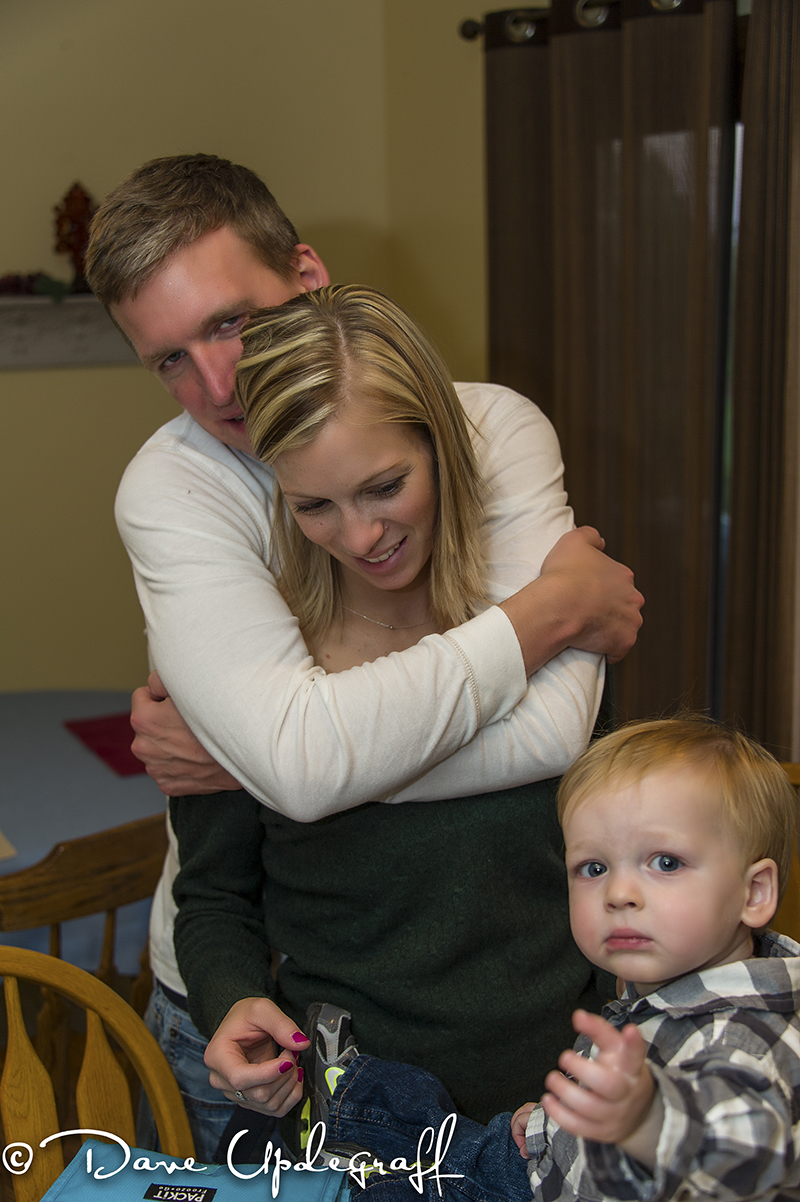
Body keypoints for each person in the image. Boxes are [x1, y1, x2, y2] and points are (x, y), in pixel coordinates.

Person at [85, 155, 643, 1160]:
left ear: (307, 277)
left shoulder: (489, 431)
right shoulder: (182, 497)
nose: (219, 385)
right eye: (169, 359)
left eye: (230, 322)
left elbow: (558, 748)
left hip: (540, 1075)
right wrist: (552, 610)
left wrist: (283, 759)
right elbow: (273, 802)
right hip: (324, 1075)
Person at [310, 717, 800, 1202]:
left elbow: (754, 1157)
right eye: (594, 867)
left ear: (753, 893)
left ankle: (346, 1144)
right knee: (442, 1125)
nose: (619, 893)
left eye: (666, 863)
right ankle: (343, 1101)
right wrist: (553, 1126)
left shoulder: (746, 1035)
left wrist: (651, 1123)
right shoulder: (664, 980)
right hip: (547, 1163)